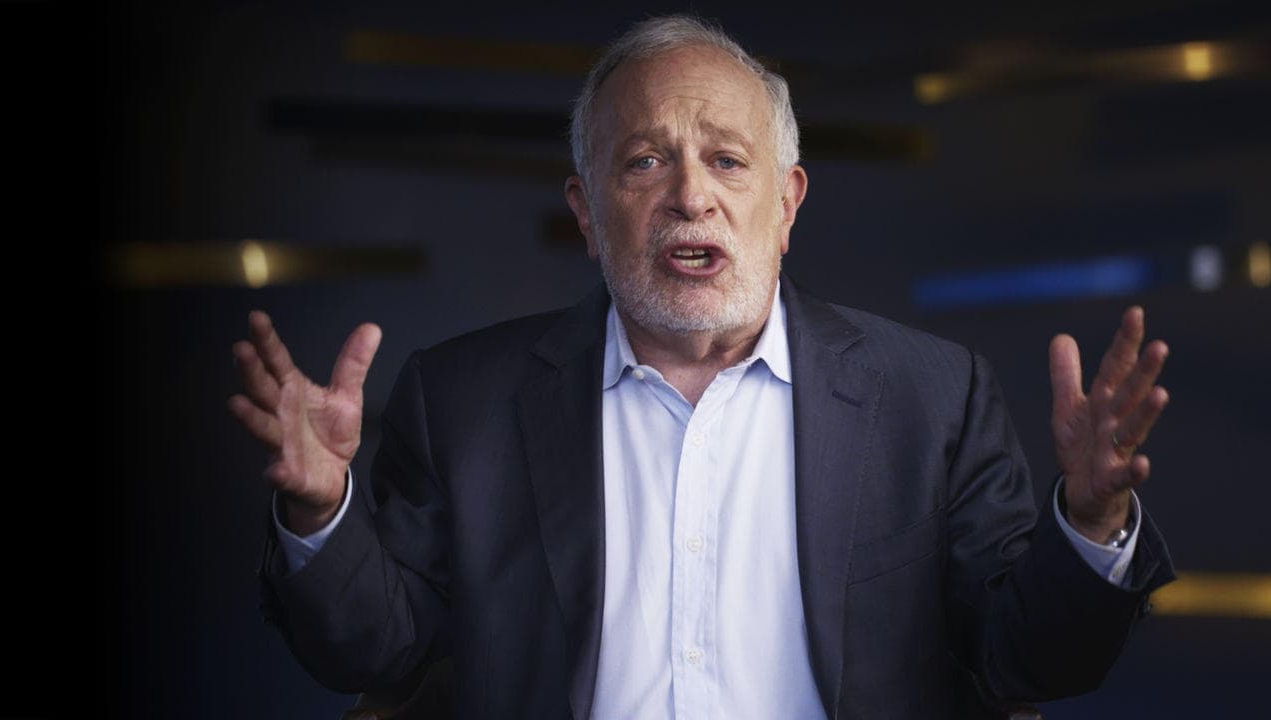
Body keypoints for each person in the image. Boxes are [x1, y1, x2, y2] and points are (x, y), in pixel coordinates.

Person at [229, 15, 1174, 720]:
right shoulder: (461, 400)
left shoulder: (931, 397)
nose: (691, 196)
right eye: (644, 162)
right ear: (586, 212)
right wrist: (322, 514)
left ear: (787, 202)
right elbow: (383, 658)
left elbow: (1025, 661)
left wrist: (1090, 522)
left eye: (727, 160)